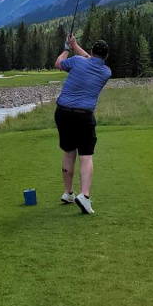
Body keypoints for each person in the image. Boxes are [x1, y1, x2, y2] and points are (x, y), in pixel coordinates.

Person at [54, 35, 111, 215]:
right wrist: (75, 45)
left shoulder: (77, 61)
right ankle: (84, 196)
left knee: (69, 152)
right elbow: (92, 60)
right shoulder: (106, 72)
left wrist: (67, 48)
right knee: (86, 156)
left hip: (63, 113)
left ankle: (68, 193)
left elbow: (58, 63)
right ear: (106, 56)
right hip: (84, 117)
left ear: (92, 51)